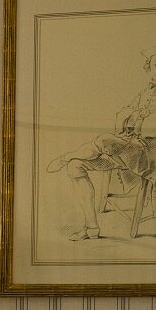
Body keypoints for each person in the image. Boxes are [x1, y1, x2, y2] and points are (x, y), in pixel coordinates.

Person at [47, 47, 156, 240]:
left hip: (148, 156)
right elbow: (123, 116)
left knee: (104, 139)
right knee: (75, 166)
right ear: (148, 68)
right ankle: (91, 228)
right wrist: (130, 118)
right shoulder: (146, 92)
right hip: (128, 149)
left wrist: (138, 121)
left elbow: (145, 128)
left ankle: (65, 156)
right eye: (154, 65)